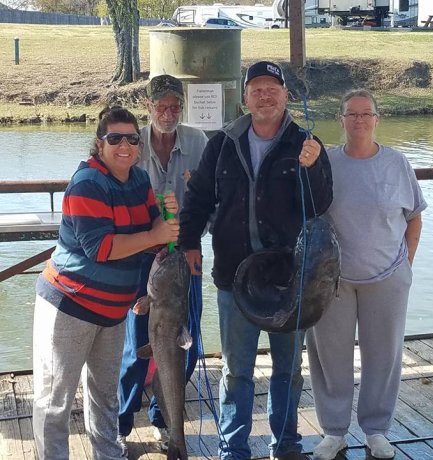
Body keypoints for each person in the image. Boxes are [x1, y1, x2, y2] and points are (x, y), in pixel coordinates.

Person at [178, 61, 333, 460]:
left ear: (285, 95)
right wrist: (189, 242)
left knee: (287, 371)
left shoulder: (307, 143)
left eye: (272, 88)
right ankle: (234, 448)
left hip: (288, 280)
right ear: (244, 97)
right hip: (233, 277)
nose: (264, 96)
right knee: (236, 372)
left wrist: (313, 167)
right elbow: (197, 199)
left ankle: (285, 443)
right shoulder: (223, 142)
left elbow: (320, 205)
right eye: (256, 89)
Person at [33, 106, 179, 460]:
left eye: (132, 138)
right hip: (69, 305)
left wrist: (167, 219)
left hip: (114, 311)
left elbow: (156, 238)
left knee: (105, 395)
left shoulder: (140, 180)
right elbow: (100, 248)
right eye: (115, 139)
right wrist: (154, 232)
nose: (125, 145)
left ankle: (108, 455)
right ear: (99, 144)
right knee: (55, 401)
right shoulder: (87, 183)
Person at [307, 89, 427, 460]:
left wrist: (405, 264)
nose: (359, 121)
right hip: (334, 281)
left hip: (388, 278)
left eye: (366, 114)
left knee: (384, 355)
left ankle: (377, 430)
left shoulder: (397, 163)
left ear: (377, 119)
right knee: (329, 356)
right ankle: (334, 430)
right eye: (351, 114)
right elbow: (307, 213)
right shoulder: (324, 162)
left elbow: (414, 217)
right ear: (340, 120)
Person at [117, 74, 209, 454]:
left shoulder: (198, 141)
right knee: (136, 346)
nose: (169, 112)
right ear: (148, 107)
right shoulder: (130, 143)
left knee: (184, 343)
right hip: (142, 255)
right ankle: (120, 425)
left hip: (185, 254)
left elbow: (208, 200)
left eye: (175, 106)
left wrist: (191, 242)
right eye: (161, 106)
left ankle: (162, 420)